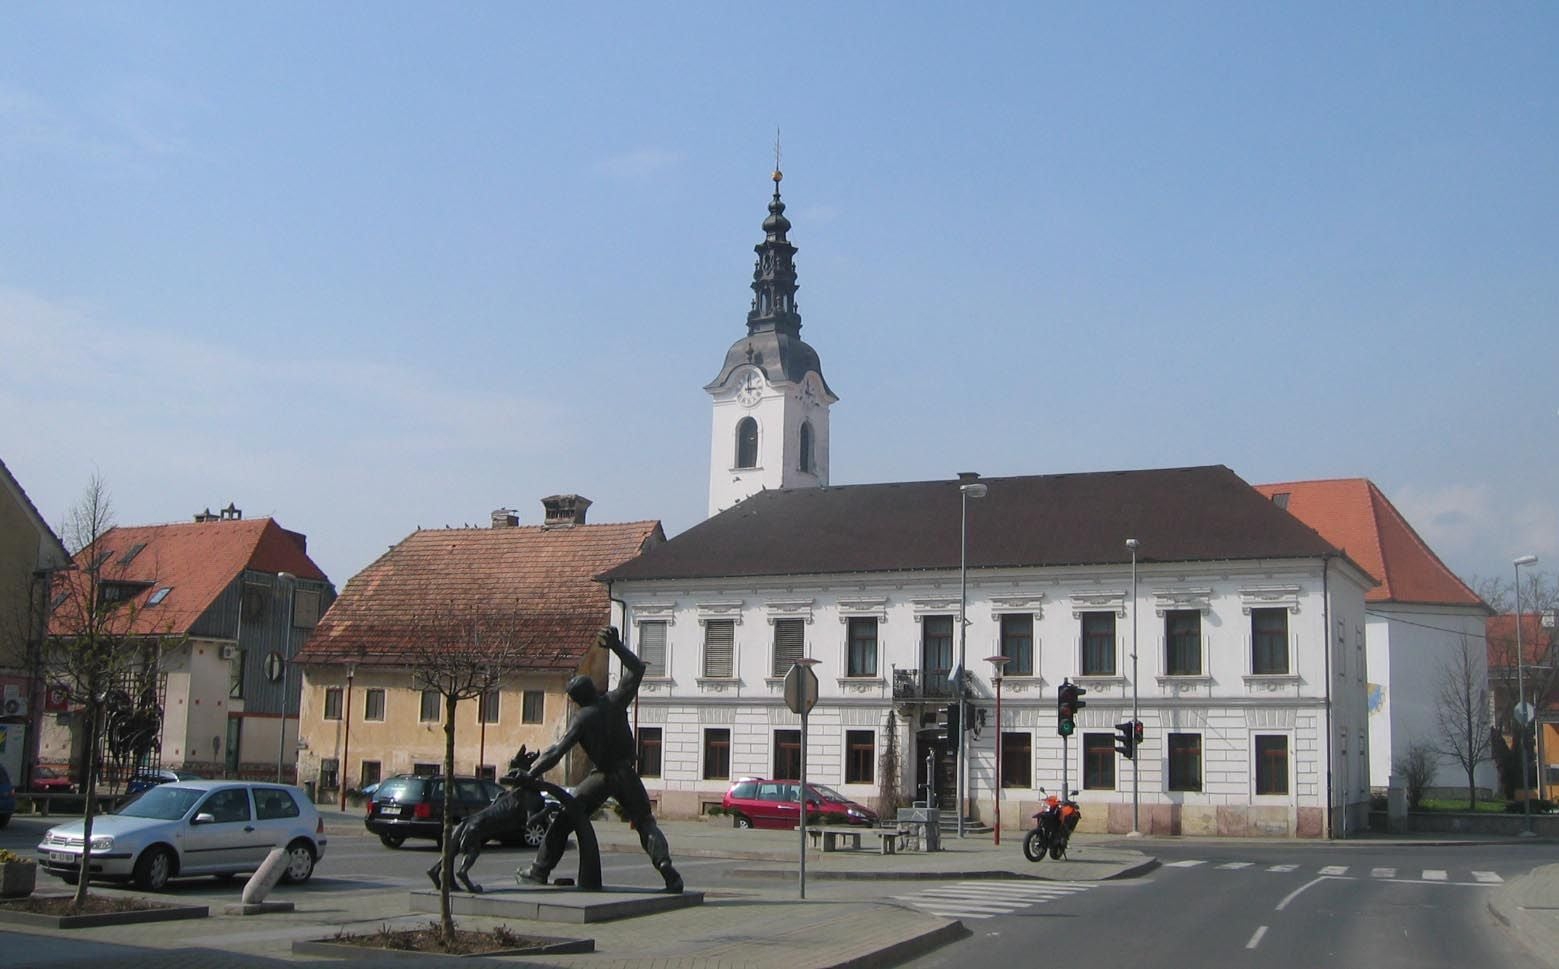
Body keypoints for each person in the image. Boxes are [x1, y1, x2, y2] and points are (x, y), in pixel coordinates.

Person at [517, 626, 682, 893]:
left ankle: (539, 870)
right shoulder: (615, 701)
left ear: (575, 701)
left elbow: (556, 752)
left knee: (565, 819)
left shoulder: (582, 719)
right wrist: (616, 646)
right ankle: (665, 867)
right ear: (593, 688)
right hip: (626, 773)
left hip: (603, 775)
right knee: (645, 822)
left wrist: (531, 774)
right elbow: (637, 669)